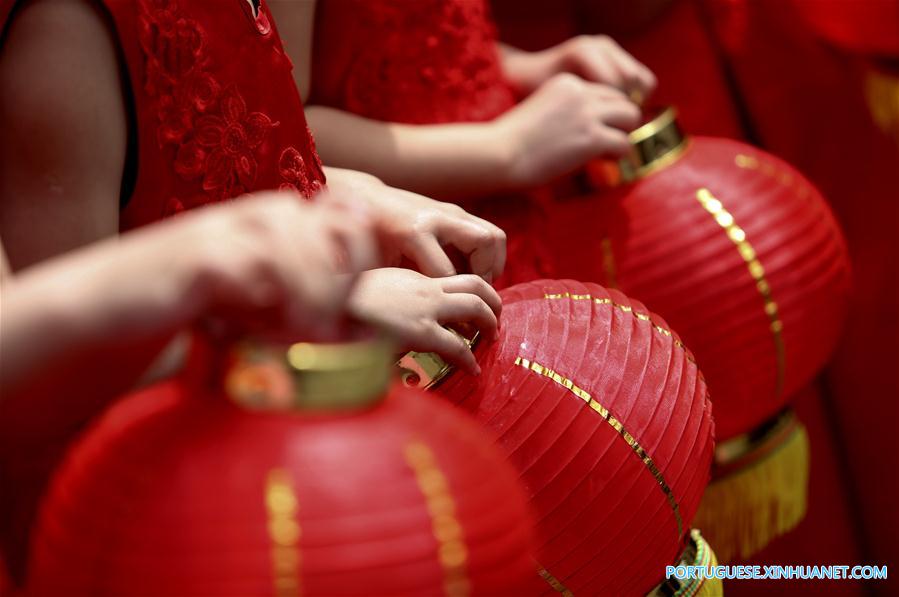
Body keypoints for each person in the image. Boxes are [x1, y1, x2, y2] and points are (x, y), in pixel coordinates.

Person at [271, 0, 655, 284]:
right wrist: (504, 147)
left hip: (511, 221)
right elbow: (278, 129)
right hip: (421, 252)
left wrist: (525, 68)